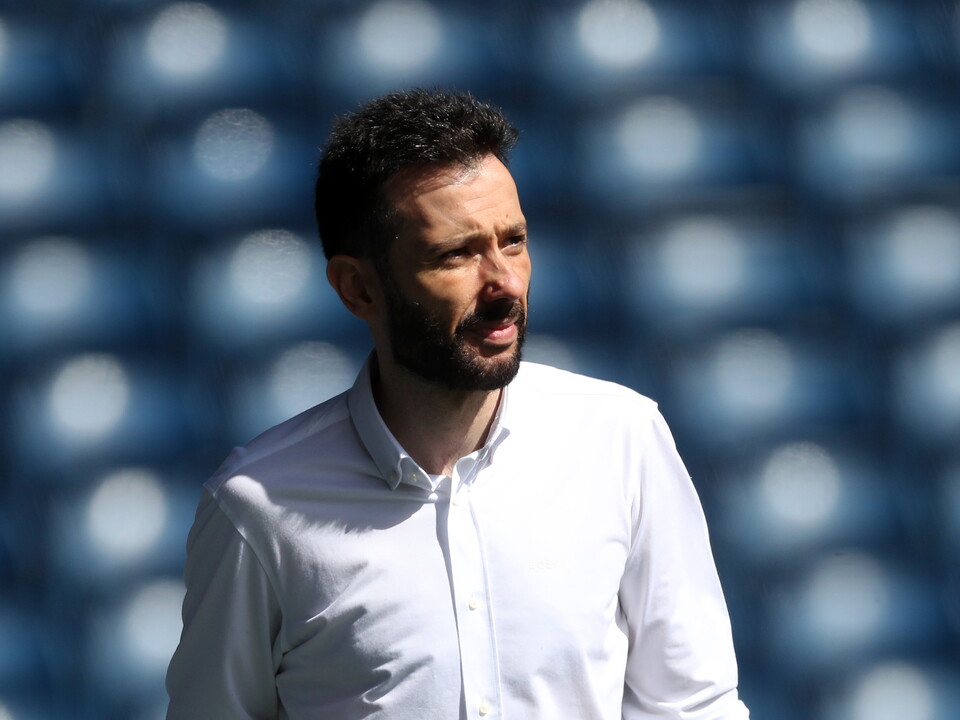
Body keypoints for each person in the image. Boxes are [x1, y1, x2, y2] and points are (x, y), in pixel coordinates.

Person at [166, 88, 750, 720]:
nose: (503, 283)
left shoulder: (621, 438)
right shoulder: (256, 506)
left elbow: (692, 705)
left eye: (515, 241)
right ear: (357, 288)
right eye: (456, 254)